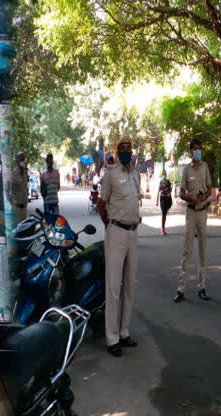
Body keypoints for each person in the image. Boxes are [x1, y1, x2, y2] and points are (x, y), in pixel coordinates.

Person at [98, 136, 141, 357]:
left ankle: (124, 332)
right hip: (116, 232)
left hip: (133, 233)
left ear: (132, 151)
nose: (126, 151)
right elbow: (101, 203)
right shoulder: (110, 174)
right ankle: (112, 337)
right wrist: (109, 224)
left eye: (129, 148)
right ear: (117, 151)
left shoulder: (136, 175)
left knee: (130, 285)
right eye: (122, 148)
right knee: (114, 286)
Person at [174, 138, 213, 303]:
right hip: (191, 213)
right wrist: (191, 198)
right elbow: (181, 193)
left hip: (202, 213)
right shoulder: (186, 170)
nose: (198, 151)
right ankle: (181, 289)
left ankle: (202, 288)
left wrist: (203, 197)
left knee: (203, 250)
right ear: (191, 151)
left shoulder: (204, 167)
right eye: (195, 148)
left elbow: (210, 188)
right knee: (187, 250)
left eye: (199, 148)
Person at [9, 151, 29, 226]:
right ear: (17, 161)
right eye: (21, 159)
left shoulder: (25, 173)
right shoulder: (14, 173)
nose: (23, 161)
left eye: (24, 159)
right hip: (17, 208)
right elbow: (11, 190)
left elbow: (25, 186)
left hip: (24, 207)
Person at [156, 171, 173, 235]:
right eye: (163, 174)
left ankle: (163, 227)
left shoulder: (168, 181)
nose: (164, 175)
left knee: (165, 213)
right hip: (162, 199)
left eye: (165, 174)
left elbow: (171, 189)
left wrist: (169, 193)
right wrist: (157, 201)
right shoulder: (160, 182)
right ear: (162, 175)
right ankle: (162, 228)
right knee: (163, 213)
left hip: (168, 199)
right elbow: (158, 191)